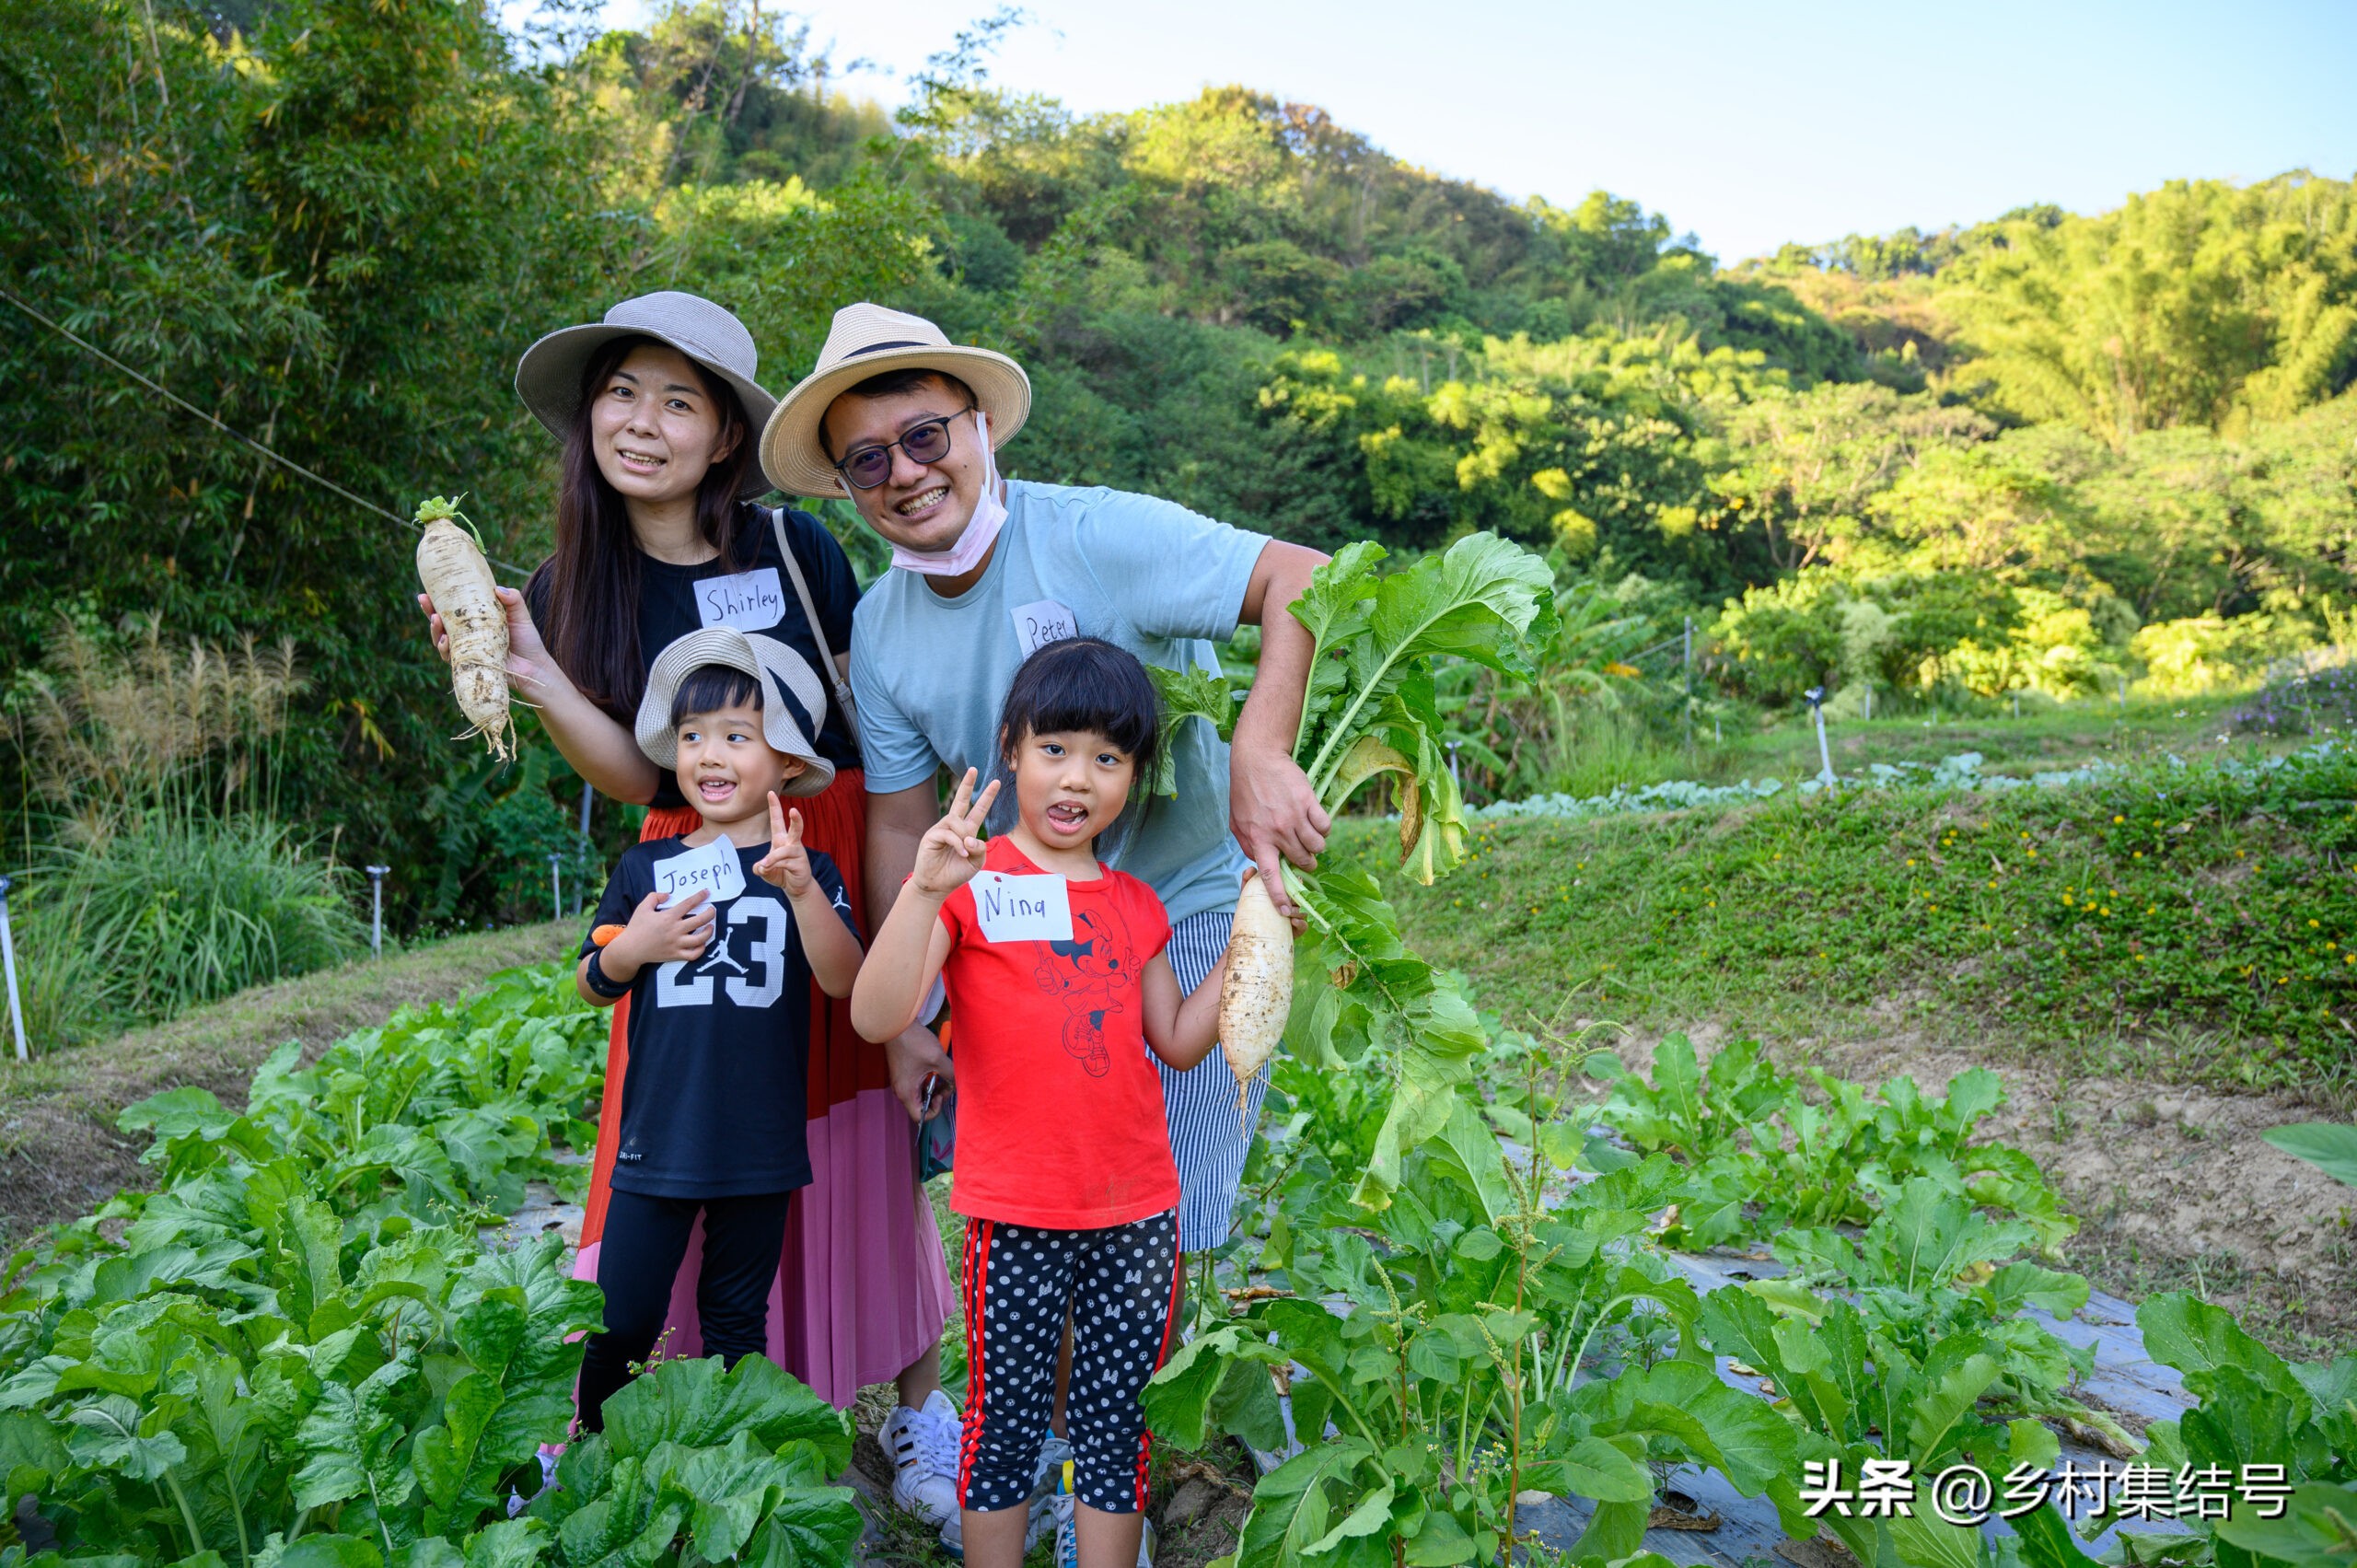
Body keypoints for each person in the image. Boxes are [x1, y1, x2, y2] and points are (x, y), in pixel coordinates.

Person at [757, 304, 1331, 1549]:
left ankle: (1170, 1446)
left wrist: (1259, 744)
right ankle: (1080, 1454)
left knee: (1170, 1198)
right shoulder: (885, 626)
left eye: (924, 435)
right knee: (1041, 1199)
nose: (906, 472)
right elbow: (908, 829)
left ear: (977, 426)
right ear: (849, 485)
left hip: (1176, 901)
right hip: (1026, 935)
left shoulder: (1097, 533)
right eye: (870, 458)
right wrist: (912, 1016)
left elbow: (1300, 573)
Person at [418, 291, 955, 1413]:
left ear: (723, 434)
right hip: (691, 869)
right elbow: (635, 774)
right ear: (588, 419)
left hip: (829, 844)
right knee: (678, 1119)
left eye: (678, 400)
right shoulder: (575, 582)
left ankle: (912, 1407)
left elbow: (874, 712)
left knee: (867, 1124)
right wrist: (527, 671)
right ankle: (670, 1397)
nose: (642, 422)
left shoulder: (796, 548)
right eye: (621, 393)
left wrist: (901, 893)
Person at [850, 637, 1230, 1568]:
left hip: (1137, 1208)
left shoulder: (1138, 902)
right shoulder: (967, 884)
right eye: (1056, 747)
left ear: (1135, 777)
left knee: (1114, 1415)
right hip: (1014, 1210)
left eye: (1108, 758)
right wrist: (923, 891)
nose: (1077, 778)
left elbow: (1177, 1038)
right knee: (1007, 1416)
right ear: (1011, 747)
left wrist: (1257, 935)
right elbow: (877, 1012)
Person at [573, 630, 863, 1430]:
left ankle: (726, 1467)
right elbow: (592, 980)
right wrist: (635, 947)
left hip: (758, 1144)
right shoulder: (647, 868)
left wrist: (803, 890)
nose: (709, 754)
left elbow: (844, 981)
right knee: (623, 1318)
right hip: (654, 1139)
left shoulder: (807, 866)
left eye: (738, 736)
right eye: (693, 736)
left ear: (790, 764)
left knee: (737, 1324)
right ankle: (591, 1454)